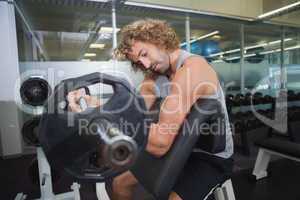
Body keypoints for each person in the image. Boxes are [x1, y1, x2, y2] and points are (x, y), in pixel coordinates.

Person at [68, 19, 234, 200]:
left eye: (144, 54)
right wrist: (93, 104)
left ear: (159, 40)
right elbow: (132, 109)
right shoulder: (154, 76)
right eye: (139, 62)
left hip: (208, 158)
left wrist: (110, 117)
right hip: (180, 148)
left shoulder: (192, 70)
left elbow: (160, 144)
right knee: (119, 183)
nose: (145, 65)